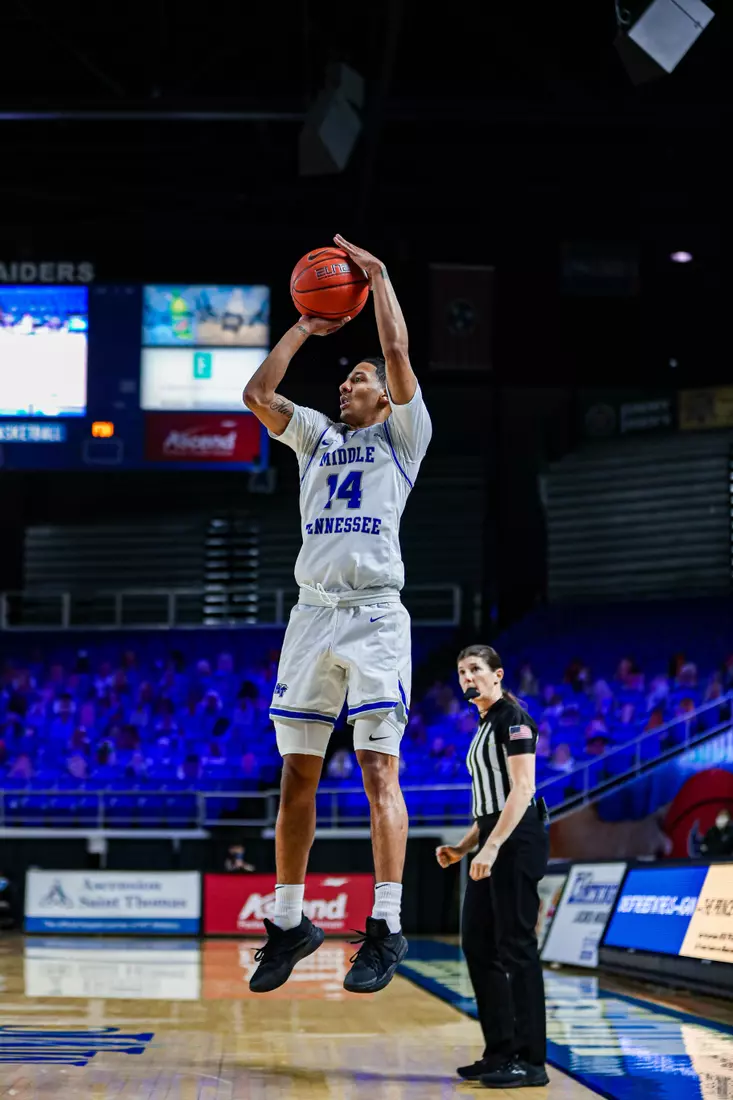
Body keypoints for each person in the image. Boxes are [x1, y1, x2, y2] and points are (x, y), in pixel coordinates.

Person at [243, 234, 432, 995]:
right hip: (310, 616)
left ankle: (385, 926)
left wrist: (380, 277)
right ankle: (290, 920)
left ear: (384, 396)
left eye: (359, 377)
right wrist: (301, 325)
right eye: (348, 377)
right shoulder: (317, 437)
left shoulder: (402, 437)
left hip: (374, 617)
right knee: (297, 773)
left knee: (377, 767)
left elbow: (393, 347)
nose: (349, 382)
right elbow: (257, 396)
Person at [436, 645, 549, 1090]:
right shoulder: (482, 725)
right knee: (478, 944)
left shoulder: (513, 719)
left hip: (516, 841)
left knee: (516, 947)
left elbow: (522, 790)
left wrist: (492, 847)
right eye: (462, 671)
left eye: (476, 670)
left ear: (497, 675)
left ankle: (531, 1061)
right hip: (493, 838)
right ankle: (501, 1050)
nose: (468, 678)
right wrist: (466, 847)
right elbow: (488, 805)